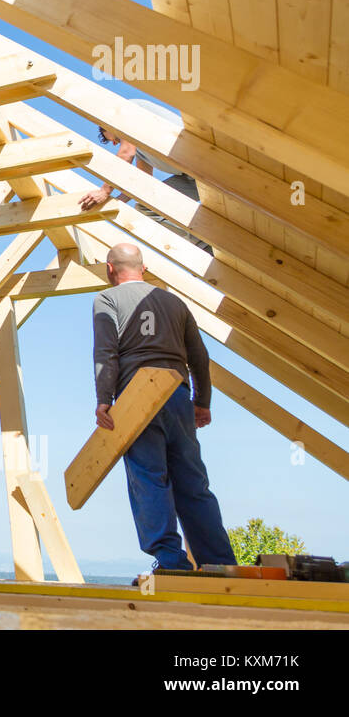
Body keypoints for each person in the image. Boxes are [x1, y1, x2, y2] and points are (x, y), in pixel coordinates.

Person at [92, 242, 236, 574]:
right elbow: (199, 357)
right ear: (143, 269)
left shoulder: (107, 299)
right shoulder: (175, 302)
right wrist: (202, 402)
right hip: (176, 393)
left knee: (148, 477)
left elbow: (106, 353)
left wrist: (104, 399)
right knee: (193, 482)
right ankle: (219, 564)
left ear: (110, 269)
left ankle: (173, 563)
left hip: (136, 395)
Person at [78, 99, 211, 252]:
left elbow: (126, 153)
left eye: (116, 139)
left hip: (202, 158)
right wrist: (114, 203)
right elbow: (142, 184)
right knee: (148, 207)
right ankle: (209, 247)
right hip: (192, 176)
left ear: (109, 123)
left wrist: (104, 191)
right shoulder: (143, 148)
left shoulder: (125, 111)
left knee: (149, 206)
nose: (116, 144)